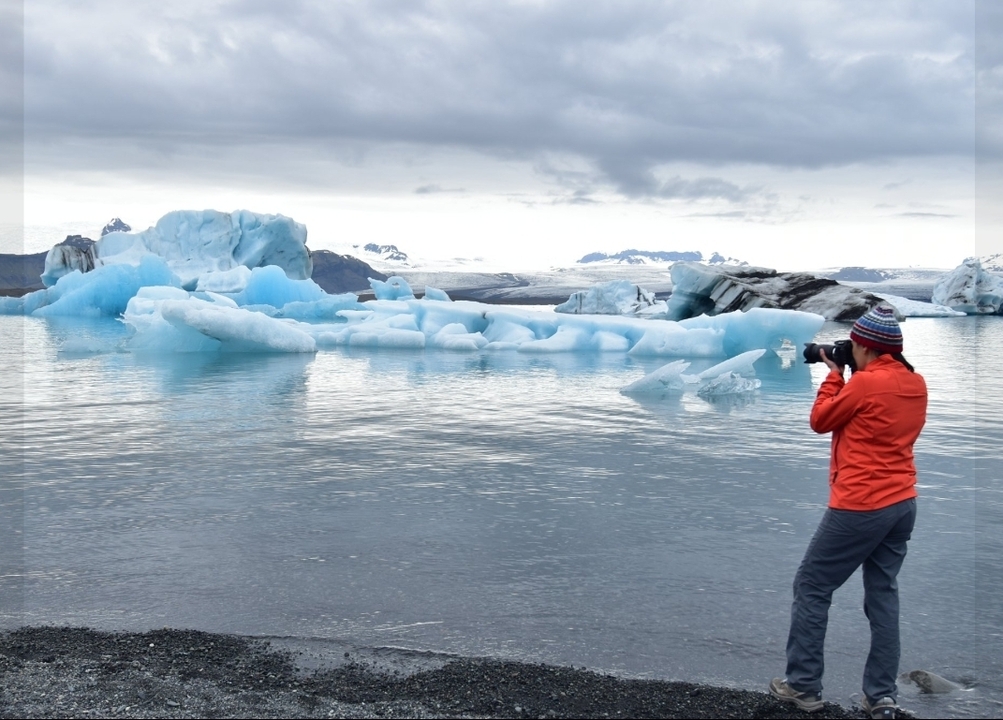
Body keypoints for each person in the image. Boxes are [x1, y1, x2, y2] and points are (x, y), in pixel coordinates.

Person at [769, 305, 928, 720]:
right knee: (882, 596)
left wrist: (833, 375)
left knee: (812, 585)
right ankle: (881, 696)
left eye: (854, 346)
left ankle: (803, 685)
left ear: (865, 347)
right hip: (902, 504)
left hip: (860, 504)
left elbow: (820, 421)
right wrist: (851, 370)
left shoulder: (862, 385)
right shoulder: (915, 382)